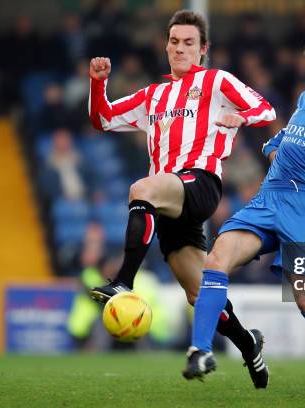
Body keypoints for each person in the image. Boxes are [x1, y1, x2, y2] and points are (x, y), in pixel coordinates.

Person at [182, 37, 305, 397]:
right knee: (216, 259)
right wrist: (276, 145)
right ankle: (200, 350)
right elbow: (292, 135)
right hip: (268, 199)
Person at [87, 10, 276, 388]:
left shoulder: (215, 81)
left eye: (189, 42)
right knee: (199, 295)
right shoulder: (152, 95)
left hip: (200, 183)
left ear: (203, 49)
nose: (180, 48)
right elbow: (103, 119)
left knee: (141, 188)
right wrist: (97, 84)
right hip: (171, 204)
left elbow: (265, 108)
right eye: (174, 41)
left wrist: (242, 119)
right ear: (166, 45)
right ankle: (248, 344)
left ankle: (124, 282)